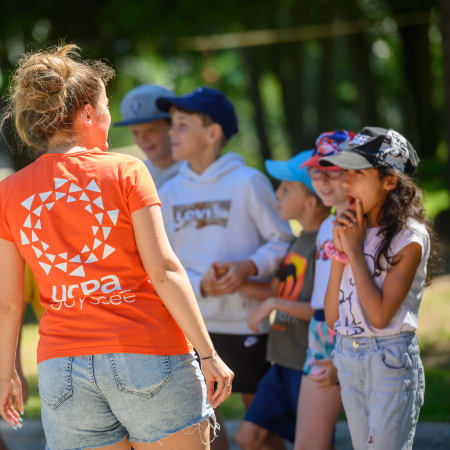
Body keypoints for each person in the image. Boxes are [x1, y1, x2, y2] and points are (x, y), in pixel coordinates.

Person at [0, 44, 233, 450]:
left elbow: (7, 302)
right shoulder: (126, 170)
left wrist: (5, 373)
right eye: (106, 107)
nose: (109, 119)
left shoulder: (8, 192)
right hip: (148, 353)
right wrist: (208, 353)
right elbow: (164, 270)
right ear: (88, 112)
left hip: (61, 368)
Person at [156, 87, 293, 449]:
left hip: (250, 324)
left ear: (212, 133)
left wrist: (248, 267)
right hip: (193, 327)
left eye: (182, 125)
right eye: (172, 125)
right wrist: (200, 285)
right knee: (205, 428)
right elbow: (163, 259)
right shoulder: (168, 193)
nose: (172, 133)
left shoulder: (249, 182)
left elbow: (282, 242)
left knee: (261, 432)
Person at [320, 127, 432, 450]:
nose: (346, 182)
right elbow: (332, 316)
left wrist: (353, 252)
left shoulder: (409, 237)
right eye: (346, 172)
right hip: (349, 354)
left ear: (390, 181)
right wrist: (341, 251)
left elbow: (381, 316)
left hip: (390, 360)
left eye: (358, 172)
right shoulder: (353, 229)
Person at [234, 150, 331, 449]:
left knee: (314, 443)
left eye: (286, 189)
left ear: (311, 202)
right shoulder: (296, 241)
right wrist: (234, 282)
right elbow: (277, 291)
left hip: (308, 363)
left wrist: (274, 305)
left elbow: (323, 311)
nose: (277, 194)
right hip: (281, 362)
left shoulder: (325, 246)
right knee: (248, 437)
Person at [294, 130, 355, 450]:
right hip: (320, 331)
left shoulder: (364, 222)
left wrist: (340, 353)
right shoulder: (328, 224)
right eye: (317, 173)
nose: (322, 182)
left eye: (334, 173)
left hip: (350, 335)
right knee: (308, 444)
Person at [114, 84, 182, 188]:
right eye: (135, 132)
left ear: (174, 126)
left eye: (151, 130)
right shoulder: (133, 178)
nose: (143, 139)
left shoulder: (198, 171)